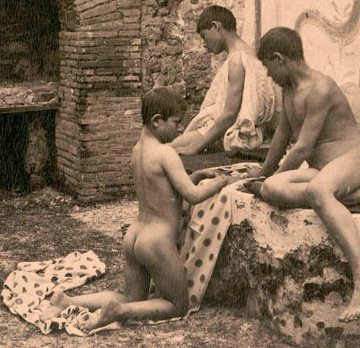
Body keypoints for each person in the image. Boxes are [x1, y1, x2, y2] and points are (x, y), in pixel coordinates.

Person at [49, 87, 237, 331]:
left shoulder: (138, 150)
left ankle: (68, 300)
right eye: (177, 122)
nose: (181, 129)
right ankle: (121, 312)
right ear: (157, 121)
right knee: (178, 305)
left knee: (132, 298)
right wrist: (222, 181)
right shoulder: (166, 152)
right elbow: (192, 195)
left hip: (135, 235)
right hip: (157, 240)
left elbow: (164, 186)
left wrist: (196, 175)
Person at [245, 27, 360, 321]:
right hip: (322, 171)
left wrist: (266, 178)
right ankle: (358, 198)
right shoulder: (288, 89)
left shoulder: (321, 88)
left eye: (267, 66)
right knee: (273, 189)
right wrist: (264, 174)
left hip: (350, 160)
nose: (267, 74)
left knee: (315, 191)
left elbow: (301, 148)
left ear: (279, 58)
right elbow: (282, 136)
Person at [170, 5, 276, 157]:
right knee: (167, 150)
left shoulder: (237, 60)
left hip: (222, 133)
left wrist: (196, 147)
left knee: (165, 151)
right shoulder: (249, 54)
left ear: (215, 26)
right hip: (219, 130)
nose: (204, 45)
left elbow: (229, 115)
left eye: (204, 37)